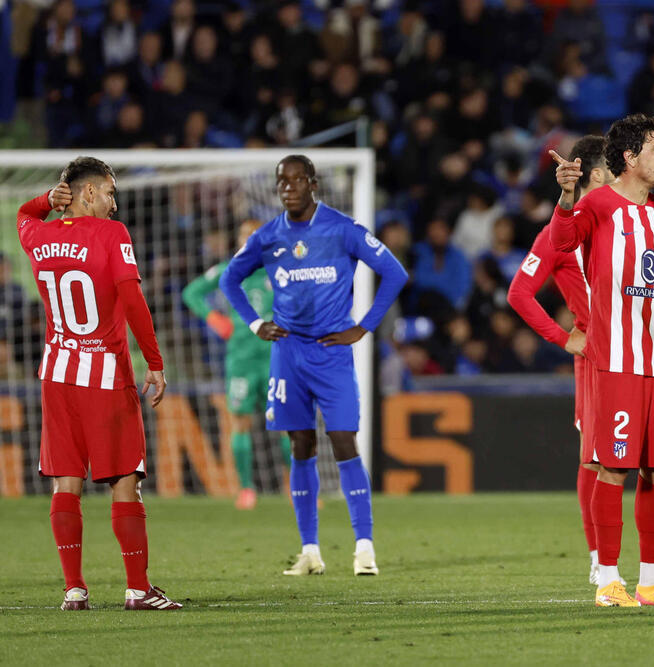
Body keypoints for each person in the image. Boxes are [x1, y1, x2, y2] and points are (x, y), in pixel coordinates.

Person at [508, 135, 654, 587]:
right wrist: (564, 337)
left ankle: (651, 562)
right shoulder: (580, 220)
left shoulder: (649, 215)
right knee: (599, 461)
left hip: (650, 354)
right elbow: (519, 292)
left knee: (651, 462)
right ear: (600, 173)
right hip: (602, 356)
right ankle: (602, 560)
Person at [550, 113, 654, 607]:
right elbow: (561, 246)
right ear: (630, 158)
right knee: (612, 468)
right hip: (617, 361)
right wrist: (564, 196)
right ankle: (606, 579)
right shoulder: (599, 204)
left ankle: (651, 579)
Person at [220, 155, 407, 577]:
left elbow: (393, 272)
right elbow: (229, 279)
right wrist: (254, 323)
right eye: (281, 181)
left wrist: (364, 327)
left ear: (312, 183)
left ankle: (364, 548)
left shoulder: (342, 229)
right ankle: (310, 550)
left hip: (332, 352)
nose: (288, 187)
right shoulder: (268, 236)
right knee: (300, 446)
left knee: (343, 442)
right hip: (287, 354)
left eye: (296, 179)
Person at [17, 157, 180, 611]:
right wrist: (155, 361)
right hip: (105, 376)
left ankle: (74, 589)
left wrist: (46, 200)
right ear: (87, 193)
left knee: (65, 483)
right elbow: (132, 299)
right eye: (109, 192)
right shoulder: (113, 234)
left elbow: (24, 214)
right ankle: (137, 589)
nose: (114, 202)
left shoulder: (41, 235)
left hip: (56, 375)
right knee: (126, 481)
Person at [182, 219, 292, 510]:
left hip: (275, 358)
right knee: (240, 424)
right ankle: (246, 489)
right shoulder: (228, 271)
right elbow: (191, 292)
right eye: (245, 237)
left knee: (287, 423)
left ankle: (296, 488)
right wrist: (215, 319)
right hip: (241, 361)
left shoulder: (280, 271)